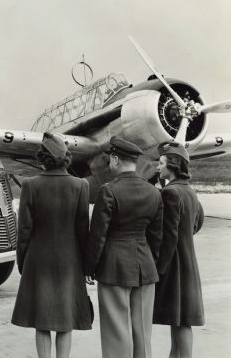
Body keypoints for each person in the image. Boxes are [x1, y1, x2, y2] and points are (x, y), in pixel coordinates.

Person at [12, 132, 92, 358]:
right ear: (66, 158)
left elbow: (24, 230)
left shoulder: (30, 185)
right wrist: (86, 266)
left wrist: (22, 261)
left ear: (42, 158)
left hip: (38, 260)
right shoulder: (80, 186)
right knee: (66, 321)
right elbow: (82, 230)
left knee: (42, 321)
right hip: (70, 261)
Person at [85, 136, 163, 358]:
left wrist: (90, 267)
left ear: (116, 159)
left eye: (110, 159)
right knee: (142, 333)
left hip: (114, 268)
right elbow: (156, 237)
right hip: (145, 267)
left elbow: (98, 235)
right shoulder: (153, 192)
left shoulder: (108, 190)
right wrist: (152, 264)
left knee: (117, 333)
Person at [153, 141, 204, 358]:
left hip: (175, 266)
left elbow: (169, 236)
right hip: (188, 262)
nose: (157, 167)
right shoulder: (189, 191)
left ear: (172, 165)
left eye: (161, 162)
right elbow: (196, 223)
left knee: (181, 321)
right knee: (180, 320)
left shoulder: (170, 193)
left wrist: (159, 270)